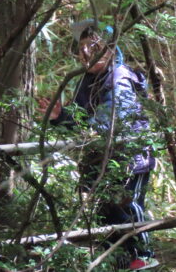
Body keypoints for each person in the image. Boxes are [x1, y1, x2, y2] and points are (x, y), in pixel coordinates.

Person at [40, 19, 158, 270]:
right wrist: (60, 116)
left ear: (110, 48)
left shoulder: (119, 76)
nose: (86, 53)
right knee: (107, 208)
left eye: (93, 46)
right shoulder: (87, 80)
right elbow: (80, 120)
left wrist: (93, 131)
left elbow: (116, 118)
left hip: (129, 156)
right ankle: (117, 256)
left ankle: (143, 254)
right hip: (100, 157)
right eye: (82, 48)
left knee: (128, 204)